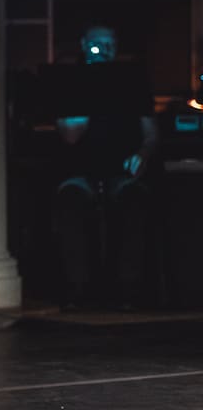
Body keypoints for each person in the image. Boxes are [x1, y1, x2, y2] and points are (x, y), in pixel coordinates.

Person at [52, 25, 157, 310]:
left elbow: (149, 133)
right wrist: (91, 88)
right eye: (98, 44)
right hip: (80, 172)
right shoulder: (70, 81)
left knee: (135, 202)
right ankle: (78, 290)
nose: (104, 50)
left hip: (122, 171)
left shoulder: (132, 82)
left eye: (110, 44)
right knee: (71, 202)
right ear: (85, 45)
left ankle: (128, 290)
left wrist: (142, 155)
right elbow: (70, 135)